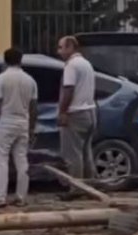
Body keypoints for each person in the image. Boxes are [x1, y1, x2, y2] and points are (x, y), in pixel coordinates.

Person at [0, 47, 38, 208]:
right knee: (21, 161)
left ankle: (0, 197)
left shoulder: (1, 78)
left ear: (5, 60)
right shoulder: (30, 80)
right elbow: (33, 107)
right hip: (23, 123)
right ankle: (21, 197)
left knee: (1, 162)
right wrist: (31, 128)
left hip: (4, 122)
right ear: (20, 60)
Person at [57, 35, 97, 198]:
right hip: (90, 112)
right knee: (86, 152)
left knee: (73, 155)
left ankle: (76, 189)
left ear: (70, 48)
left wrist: (63, 111)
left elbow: (68, 90)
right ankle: (90, 186)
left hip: (76, 112)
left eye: (61, 47)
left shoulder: (71, 66)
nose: (58, 51)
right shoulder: (86, 64)